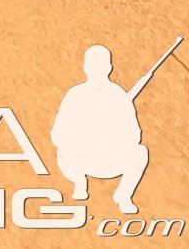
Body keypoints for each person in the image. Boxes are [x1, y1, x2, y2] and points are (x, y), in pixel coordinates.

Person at [51, 44, 150, 215]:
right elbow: (57, 133)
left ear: (109, 68)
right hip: (80, 160)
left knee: (140, 152)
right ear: (85, 68)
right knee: (62, 152)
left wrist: (111, 135)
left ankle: (123, 195)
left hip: (110, 160)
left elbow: (135, 135)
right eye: (92, 65)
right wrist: (80, 137)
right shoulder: (74, 94)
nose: (96, 70)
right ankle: (79, 182)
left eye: (101, 65)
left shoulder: (119, 96)